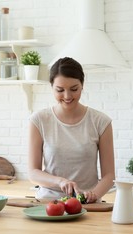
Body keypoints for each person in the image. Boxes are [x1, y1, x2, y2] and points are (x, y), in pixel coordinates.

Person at [28, 57, 115, 203]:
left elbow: (109, 176)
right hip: (49, 203)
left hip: (88, 203)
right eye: (60, 90)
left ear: (82, 85)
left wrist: (94, 194)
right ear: (52, 87)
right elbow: (33, 173)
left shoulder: (101, 122)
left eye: (74, 89)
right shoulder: (39, 120)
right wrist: (60, 182)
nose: (67, 96)